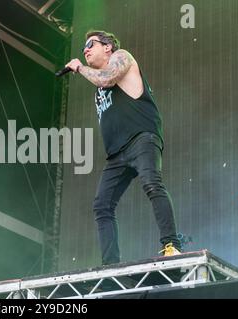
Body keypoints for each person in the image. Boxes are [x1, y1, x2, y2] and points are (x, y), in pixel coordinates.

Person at [65, 30, 181, 265]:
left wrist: (78, 67)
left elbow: (106, 78)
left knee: (151, 183)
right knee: (102, 204)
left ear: (108, 47)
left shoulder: (122, 58)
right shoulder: (98, 85)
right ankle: (110, 264)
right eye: (83, 48)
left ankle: (171, 245)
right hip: (117, 154)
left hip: (141, 138)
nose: (85, 49)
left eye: (90, 44)